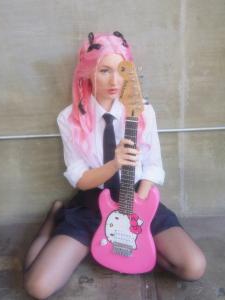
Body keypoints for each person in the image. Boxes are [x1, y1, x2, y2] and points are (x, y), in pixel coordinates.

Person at [23, 32, 206, 299]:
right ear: (88, 73)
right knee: (37, 286)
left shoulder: (143, 111)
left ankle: (116, 251)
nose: (114, 80)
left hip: (136, 200)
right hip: (93, 202)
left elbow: (154, 166)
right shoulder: (69, 118)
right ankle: (55, 216)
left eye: (120, 70)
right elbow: (78, 177)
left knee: (194, 267)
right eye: (104, 71)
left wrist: (137, 210)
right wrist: (114, 164)